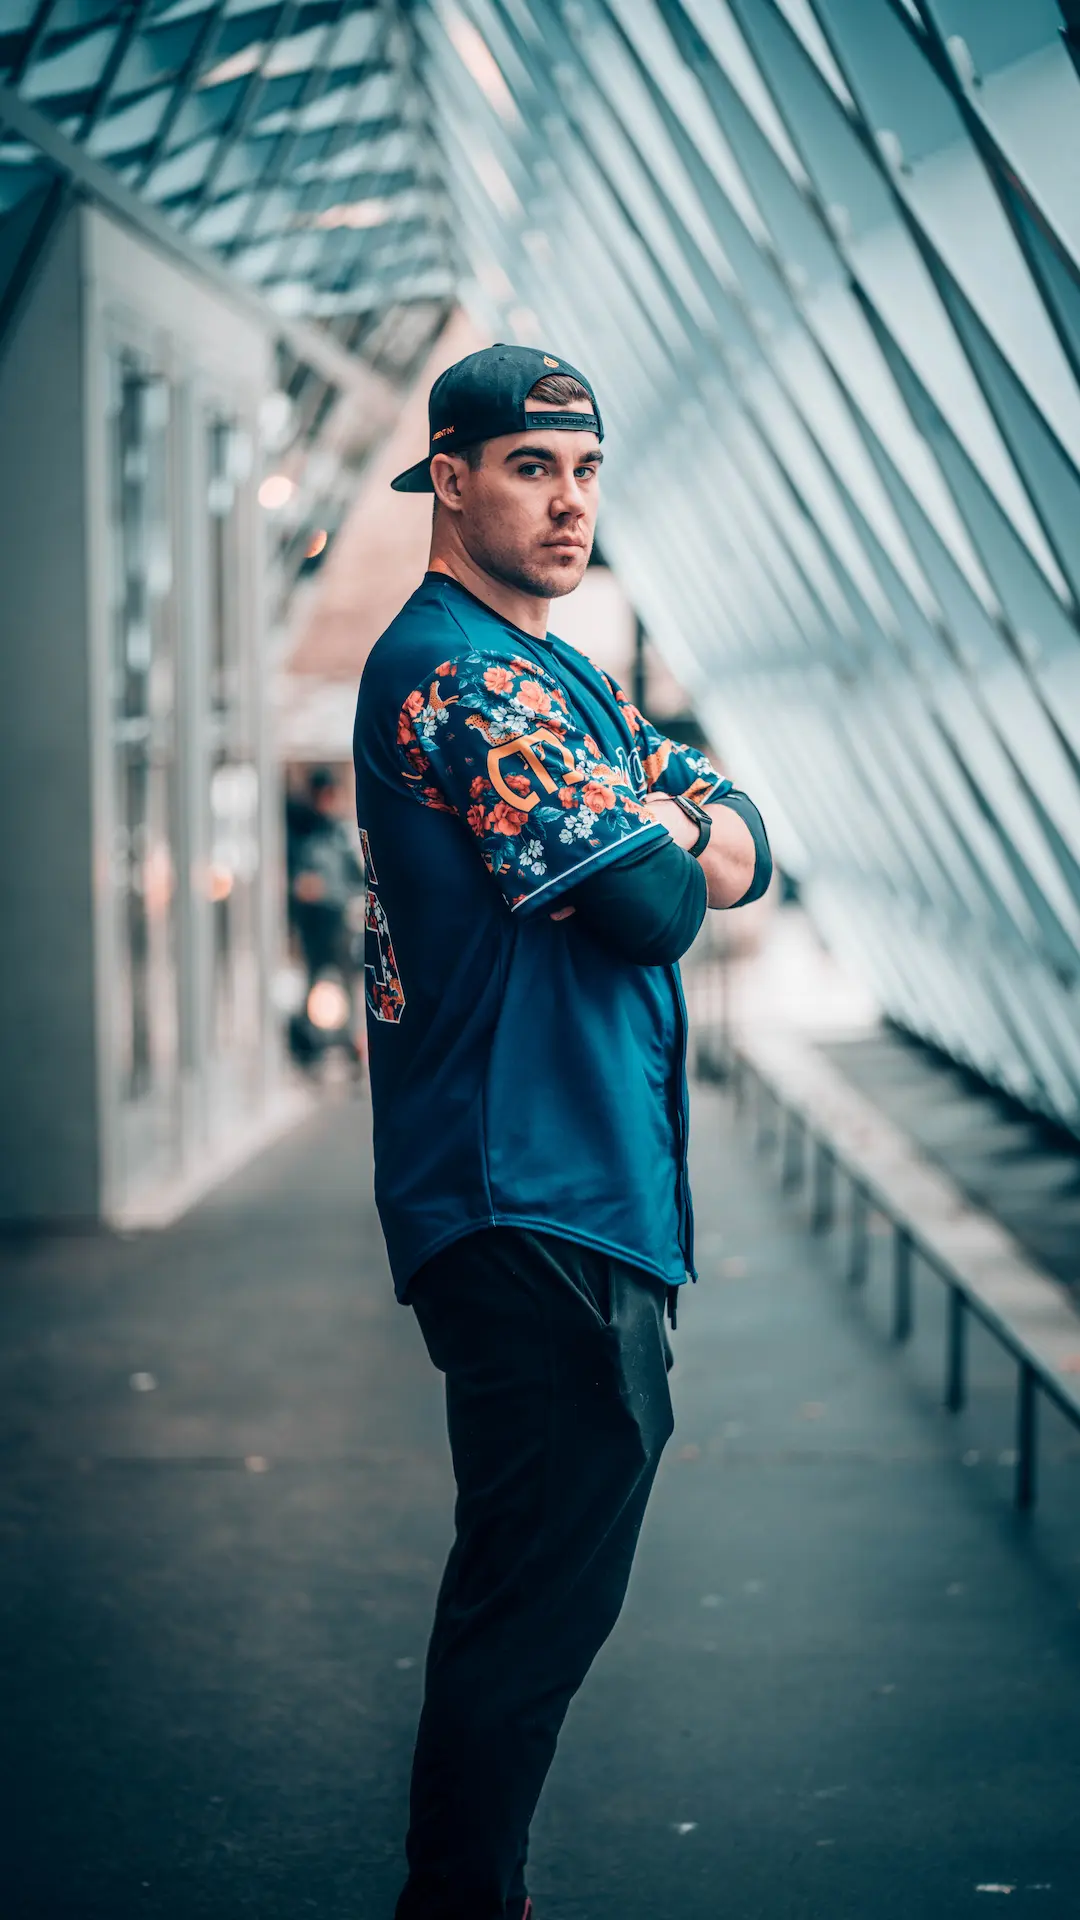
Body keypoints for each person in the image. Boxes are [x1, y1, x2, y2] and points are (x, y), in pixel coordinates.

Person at [352, 344, 771, 1920]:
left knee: (538, 1585)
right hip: (524, 1198)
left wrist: (676, 817)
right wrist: (678, 830)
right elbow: (657, 904)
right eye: (533, 468)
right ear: (448, 478)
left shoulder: (556, 672)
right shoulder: (462, 674)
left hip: (571, 1191)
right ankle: (461, 1901)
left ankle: (470, 1894)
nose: (568, 500)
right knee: (533, 1599)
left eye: (586, 472)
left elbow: (741, 816)